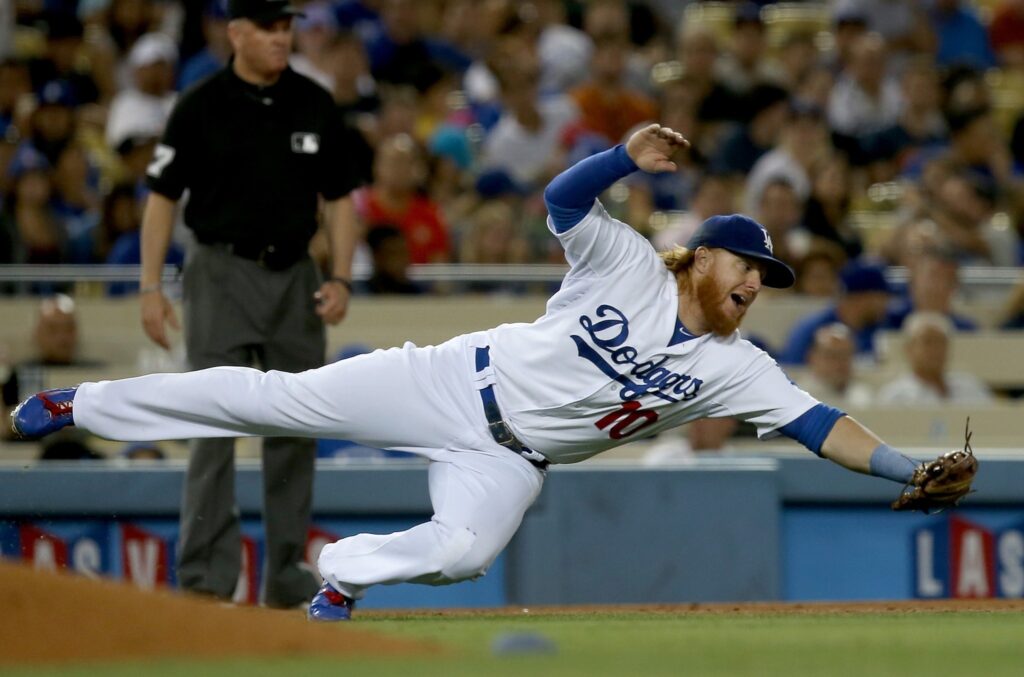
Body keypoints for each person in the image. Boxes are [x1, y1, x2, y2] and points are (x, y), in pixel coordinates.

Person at [12, 124, 935, 621]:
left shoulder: (741, 369)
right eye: (746, 267)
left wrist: (909, 469)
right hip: (452, 380)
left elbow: (822, 427)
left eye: (767, 278)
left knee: (463, 554)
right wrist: (623, 157)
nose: (755, 286)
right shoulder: (626, 262)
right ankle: (77, 401)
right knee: (271, 399)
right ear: (700, 259)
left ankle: (340, 571)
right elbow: (563, 199)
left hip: (511, 459)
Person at [135, 0, 362, 610]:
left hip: (294, 271)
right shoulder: (200, 105)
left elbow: (340, 199)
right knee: (213, 422)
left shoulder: (313, 102)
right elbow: (161, 197)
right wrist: (150, 286)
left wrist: (340, 276)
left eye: (286, 26)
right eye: (268, 27)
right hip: (220, 270)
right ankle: (206, 579)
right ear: (237, 33)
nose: (281, 37)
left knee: (296, 421)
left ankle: (285, 572)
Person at [877, 312, 993, 406]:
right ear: (909, 349)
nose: (935, 349)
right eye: (927, 342)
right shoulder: (894, 397)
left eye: (941, 342)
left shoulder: (972, 388)